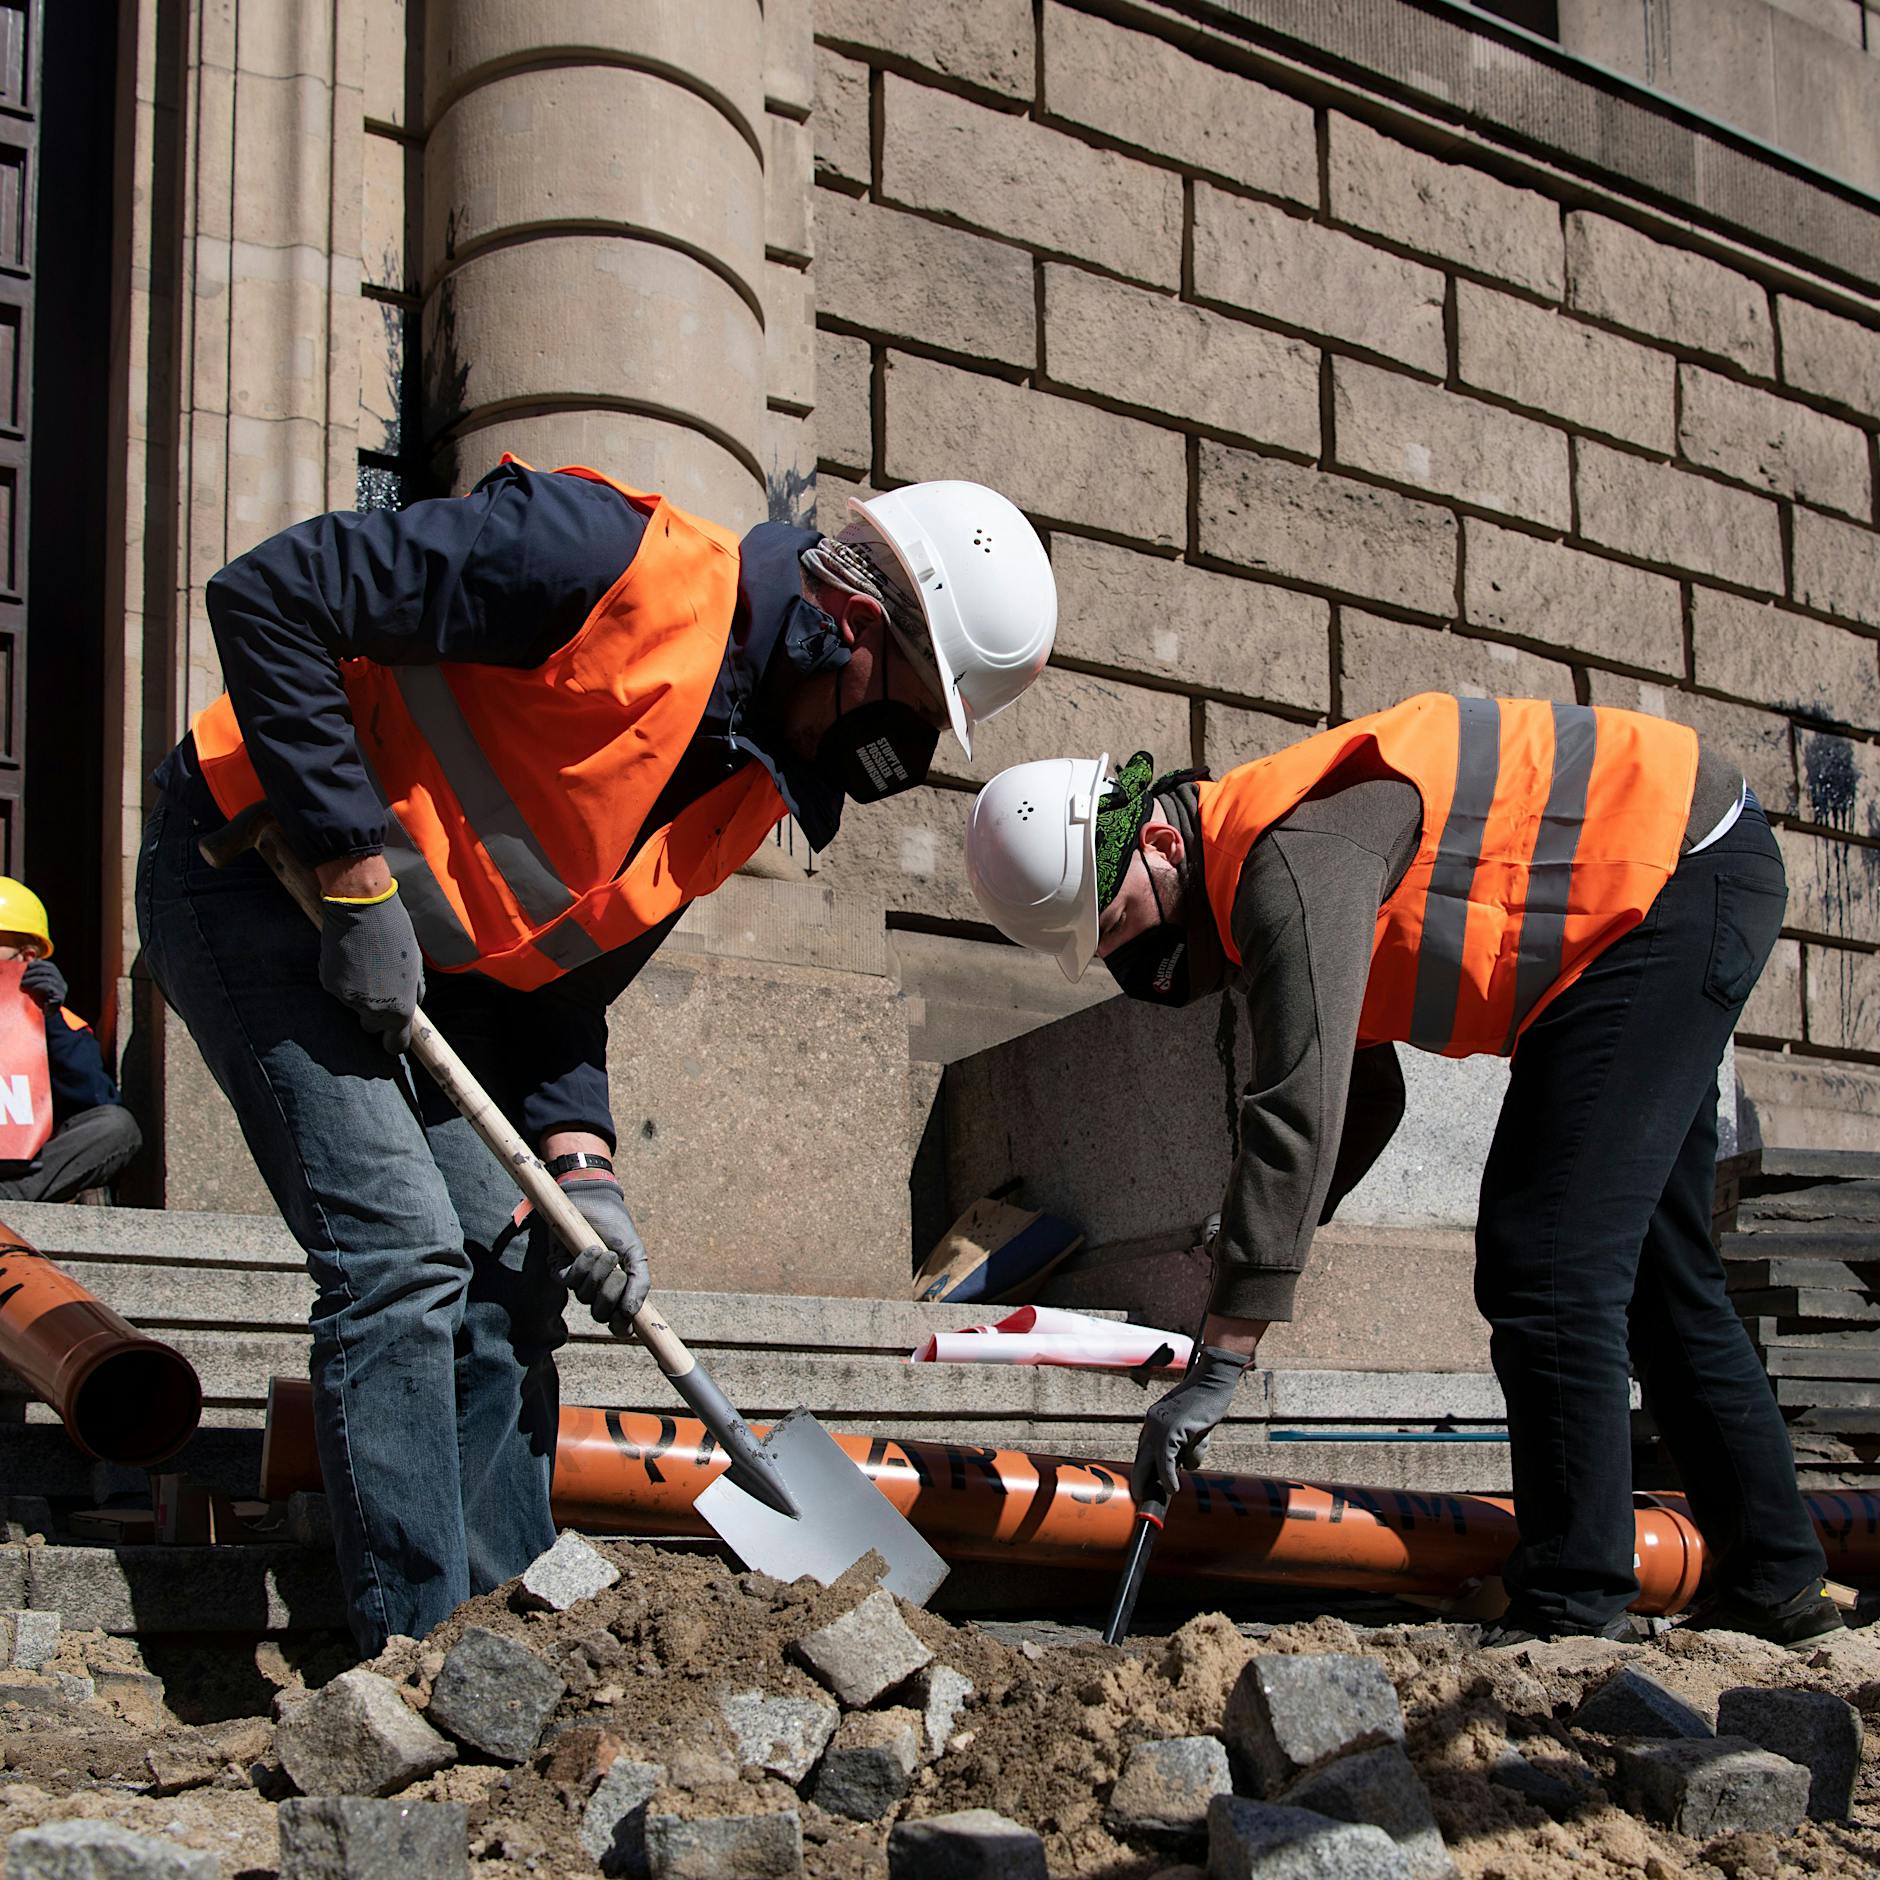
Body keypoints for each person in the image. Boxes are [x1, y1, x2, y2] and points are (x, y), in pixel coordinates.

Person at [137, 459, 1056, 1651]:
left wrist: (584, 1172)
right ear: (848, 623)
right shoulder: (593, 555)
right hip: (256, 867)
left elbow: (563, 985)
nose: (893, 755)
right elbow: (268, 596)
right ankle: (409, 1659)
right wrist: (356, 878)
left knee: (509, 1271)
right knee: (404, 1253)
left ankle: (508, 1638)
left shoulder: (743, 783)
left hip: (422, 973)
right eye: (911, 710)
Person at [964, 692, 1839, 1648]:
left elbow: (1299, 1107)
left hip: (1665, 874)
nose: (1128, 958)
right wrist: (1237, 1259)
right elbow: (1367, 1098)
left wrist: (1223, 1358)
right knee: (1661, 1273)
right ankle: (1772, 1576)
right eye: (1100, 950)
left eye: (1119, 920)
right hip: (1661, 888)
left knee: (1545, 1259)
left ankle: (1575, 1604)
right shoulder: (1250, 891)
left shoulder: (1289, 862)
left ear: (1161, 848)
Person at [0, 878, 142, 1204]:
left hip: (27, 1166)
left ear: (27, 957)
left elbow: (95, 1099)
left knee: (116, 1127)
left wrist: (48, 1021)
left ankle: (9, 1198)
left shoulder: (62, 1022)